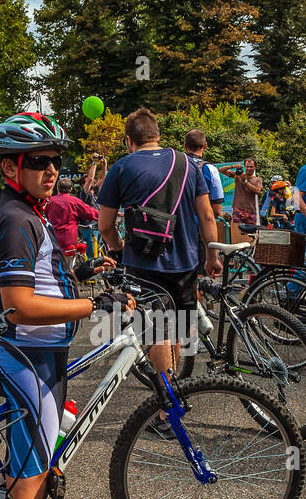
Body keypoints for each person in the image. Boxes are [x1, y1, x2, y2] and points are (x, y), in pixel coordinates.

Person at [0, 112, 126, 499]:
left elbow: (41, 277)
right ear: (10, 168)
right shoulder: (15, 218)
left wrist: (82, 274)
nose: (52, 172)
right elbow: (19, 305)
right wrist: (94, 307)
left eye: (56, 163)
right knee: (30, 480)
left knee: (35, 465)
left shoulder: (30, 213)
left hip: (42, 356)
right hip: (29, 356)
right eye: (40, 161)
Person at [97, 108, 222, 378]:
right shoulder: (188, 164)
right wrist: (212, 256)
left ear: (129, 140)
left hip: (143, 262)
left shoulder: (121, 168)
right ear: (157, 135)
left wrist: (118, 247)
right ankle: (175, 381)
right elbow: (207, 215)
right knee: (178, 326)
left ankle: (167, 402)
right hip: (187, 261)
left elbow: (105, 226)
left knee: (156, 331)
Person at [46, 176, 99, 254]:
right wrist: (104, 216)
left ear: (57, 188)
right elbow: (89, 212)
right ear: (70, 189)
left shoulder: (50, 201)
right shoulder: (74, 201)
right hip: (69, 242)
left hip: (52, 240)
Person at [184, 129, 226, 217]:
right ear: (205, 146)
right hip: (200, 225)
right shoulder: (211, 169)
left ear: (185, 146)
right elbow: (217, 209)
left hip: (177, 225)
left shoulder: (175, 165)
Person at [220, 157, 264, 224]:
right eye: (247, 167)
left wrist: (245, 182)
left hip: (251, 210)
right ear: (244, 167)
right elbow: (221, 170)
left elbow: (258, 191)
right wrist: (233, 166)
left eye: (251, 167)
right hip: (238, 209)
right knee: (237, 231)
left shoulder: (258, 180)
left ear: (255, 167)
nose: (249, 169)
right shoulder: (237, 175)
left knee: (250, 232)